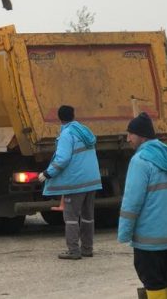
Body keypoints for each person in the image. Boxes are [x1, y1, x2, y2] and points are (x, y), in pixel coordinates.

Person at [118, 112, 167, 299]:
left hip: (149, 238)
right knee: (165, 278)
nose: (128, 138)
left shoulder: (140, 161)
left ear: (142, 136)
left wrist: (124, 233)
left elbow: (132, 201)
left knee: (152, 281)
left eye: (131, 134)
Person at [38, 105, 102, 260]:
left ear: (59, 118)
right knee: (88, 216)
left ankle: (73, 250)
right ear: (74, 115)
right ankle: (87, 248)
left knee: (71, 217)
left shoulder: (67, 134)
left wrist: (47, 173)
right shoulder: (84, 131)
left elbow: (62, 159)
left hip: (76, 183)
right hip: (92, 181)